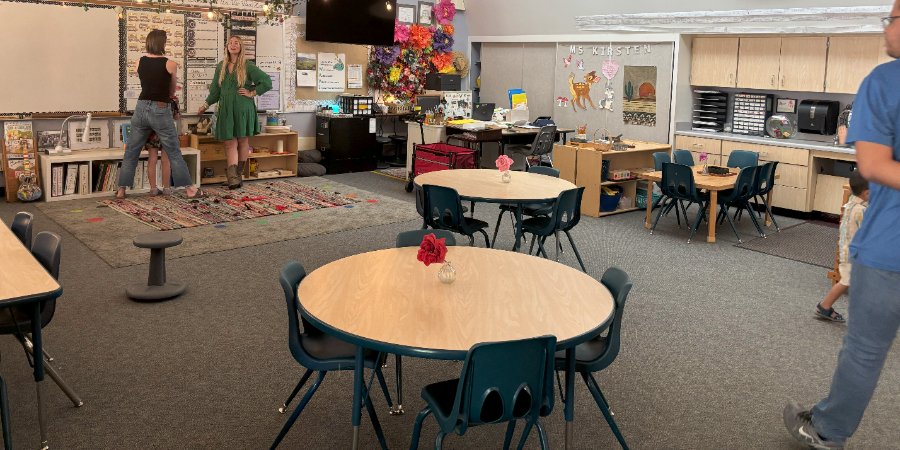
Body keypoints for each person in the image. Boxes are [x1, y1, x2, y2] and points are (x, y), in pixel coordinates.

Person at [784, 2, 900, 448]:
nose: (886, 29)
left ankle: (828, 431)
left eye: (891, 20)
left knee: (866, 350)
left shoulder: (885, 82)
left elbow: (870, 164)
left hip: (889, 249)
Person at [117, 30, 204, 199]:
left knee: (131, 152)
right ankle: (190, 189)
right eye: (165, 41)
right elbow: (171, 90)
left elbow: (146, 84)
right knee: (173, 151)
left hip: (141, 108)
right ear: (162, 43)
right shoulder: (170, 64)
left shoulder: (138, 62)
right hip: (160, 108)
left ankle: (121, 189)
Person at [197, 35, 272, 189]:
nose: (233, 45)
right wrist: (205, 104)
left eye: (236, 43)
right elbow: (215, 90)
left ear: (241, 46)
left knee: (243, 141)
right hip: (225, 108)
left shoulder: (247, 65)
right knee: (229, 142)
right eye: (230, 43)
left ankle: (235, 177)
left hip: (242, 106)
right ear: (227, 46)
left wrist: (252, 93)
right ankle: (234, 177)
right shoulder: (221, 66)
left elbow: (266, 81)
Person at [814, 170, 869, 323]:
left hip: (849, 251)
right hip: (853, 255)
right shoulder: (862, 211)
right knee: (847, 281)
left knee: (851, 281)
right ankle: (824, 306)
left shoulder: (853, 200)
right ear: (867, 193)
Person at [145, 131, 171, 196]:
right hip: (166, 131)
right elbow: (176, 119)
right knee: (166, 161)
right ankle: (166, 189)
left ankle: (153, 189)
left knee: (152, 160)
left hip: (152, 132)